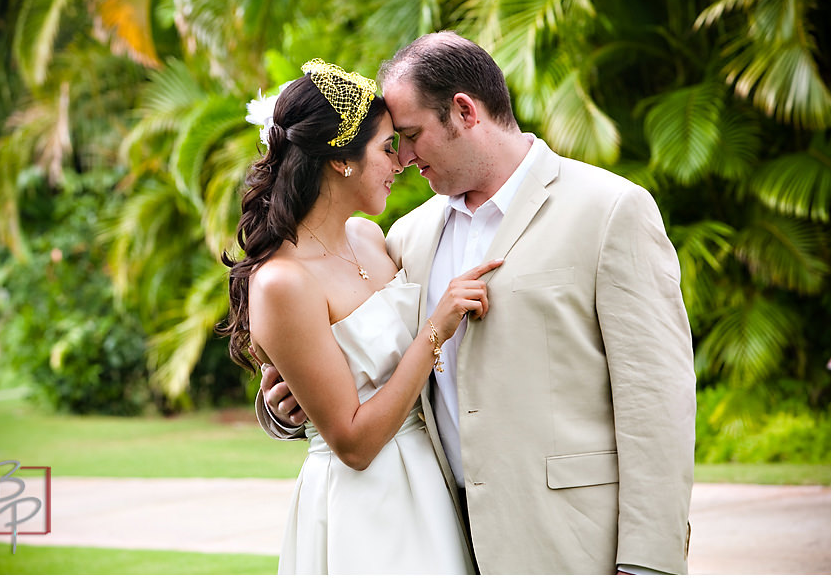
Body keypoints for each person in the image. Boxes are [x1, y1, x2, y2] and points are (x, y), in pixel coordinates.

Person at [258, 33, 697, 574]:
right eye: (394, 141)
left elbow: (657, 404)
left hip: (571, 543)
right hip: (433, 532)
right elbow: (362, 362)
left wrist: (649, 564)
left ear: (463, 111)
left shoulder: (608, 211)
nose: (406, 156)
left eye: (412, 135)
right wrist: (284, 406)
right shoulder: (405, 236)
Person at [220, 58, 503, 574]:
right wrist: (436, 329)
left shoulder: (372, 240)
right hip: (363, 507)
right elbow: (352, 443)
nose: (400, 164)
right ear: (340, 160)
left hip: (431, 481)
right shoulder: (283, 282)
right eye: (387, 148)